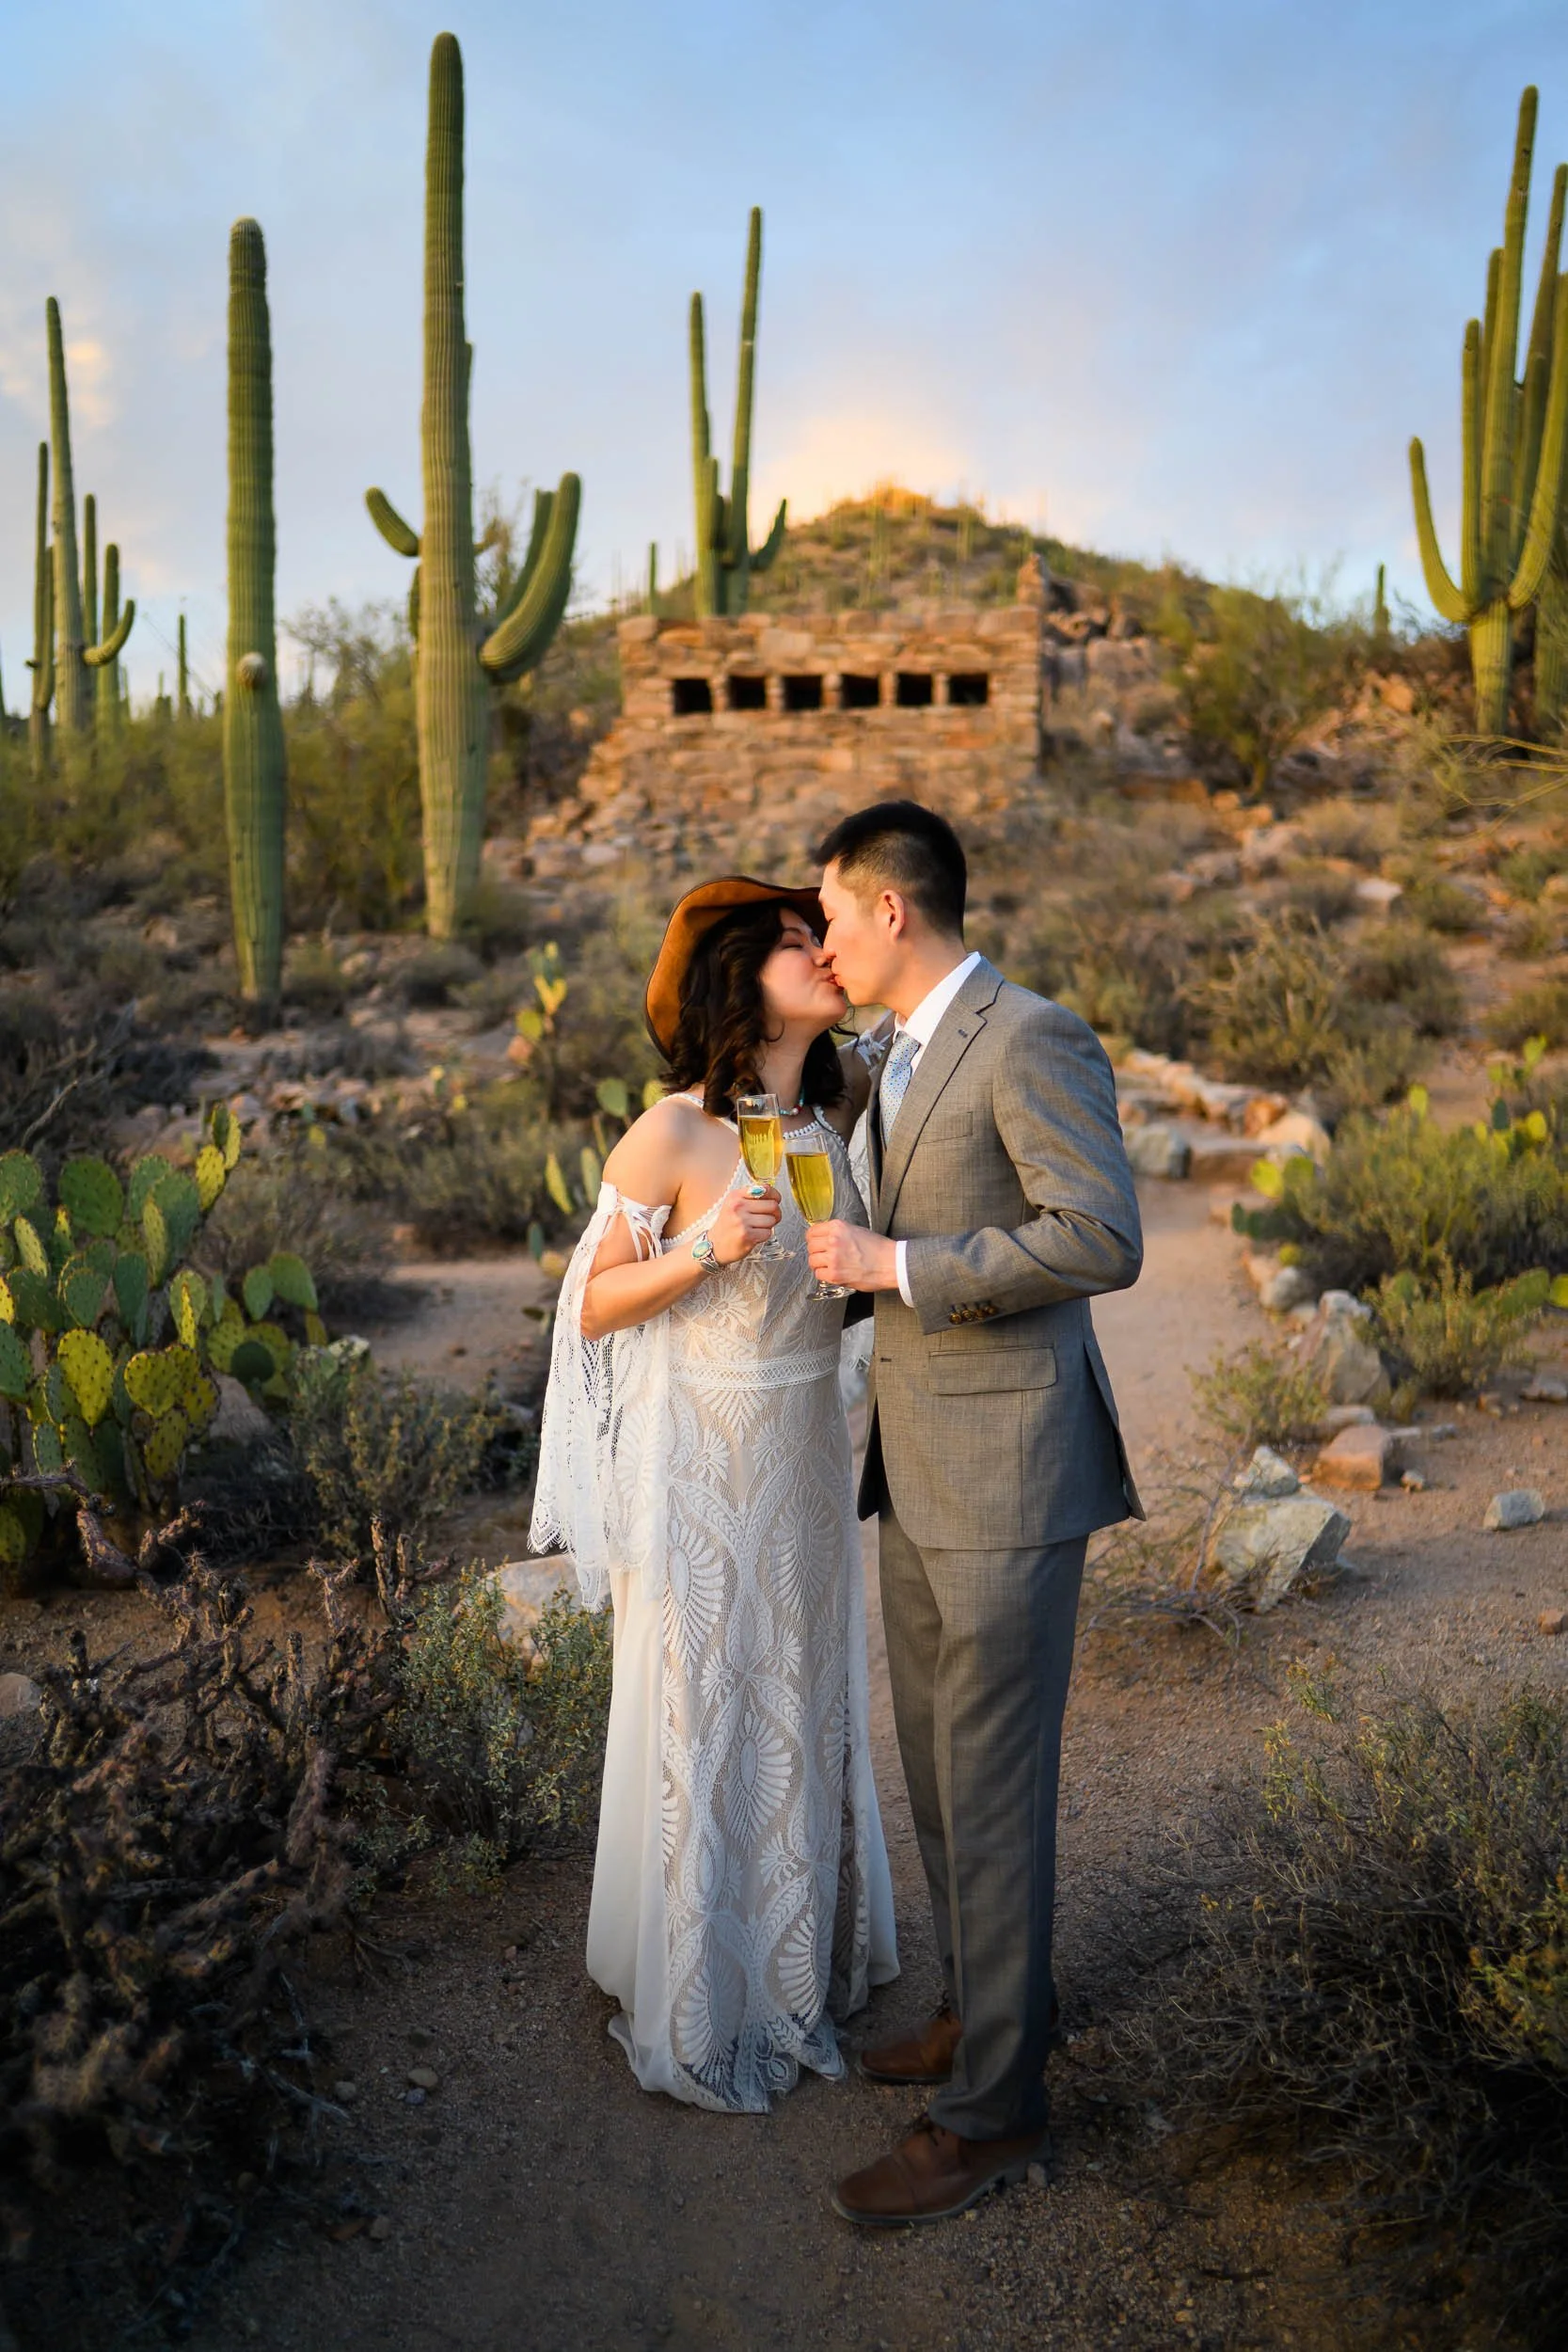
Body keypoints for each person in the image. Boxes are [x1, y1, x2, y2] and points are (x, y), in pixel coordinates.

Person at [804, 799, 1144, 2225]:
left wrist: (903, 1260)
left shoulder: (1029, 1034)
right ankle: (984, 2011)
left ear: (891, 909)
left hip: (1008, 1475)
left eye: (830, 915)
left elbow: (1102, 1235)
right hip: (917, 1468)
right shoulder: (894, 1050)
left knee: (992, 1797)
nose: (823, 944)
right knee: (941, 1782)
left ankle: (993, 2114)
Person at [531, 877, 898, 2114]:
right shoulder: (674, 1133)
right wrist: (697, 1252)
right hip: (699, 1461)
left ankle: (792, 1962)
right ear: (743, 980)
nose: (823, 958)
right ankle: (702, 1989)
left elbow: (833, 1286)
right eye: (798, 946)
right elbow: (589, 1305)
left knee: (797, 1682)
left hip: (799, 1452)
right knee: (710, 1695)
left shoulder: (828, 1123)